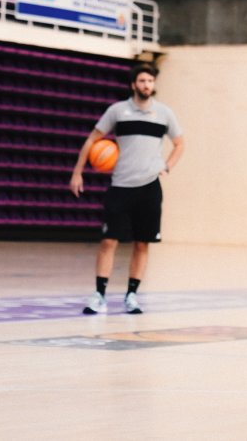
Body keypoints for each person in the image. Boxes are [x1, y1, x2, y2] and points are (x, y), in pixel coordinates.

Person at [69, 63, 184, 315]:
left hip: (149, 187)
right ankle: (99, 295)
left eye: (150, 81)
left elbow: (179, 143)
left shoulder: (164, 113)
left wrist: (167, 166)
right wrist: (77, 172)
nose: (146, 85)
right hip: (120, 186)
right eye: (142, 81)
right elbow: (92, 140)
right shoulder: (118, 111)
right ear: (134, 84)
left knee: (142, 244)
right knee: (109, 241)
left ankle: (132, 295)